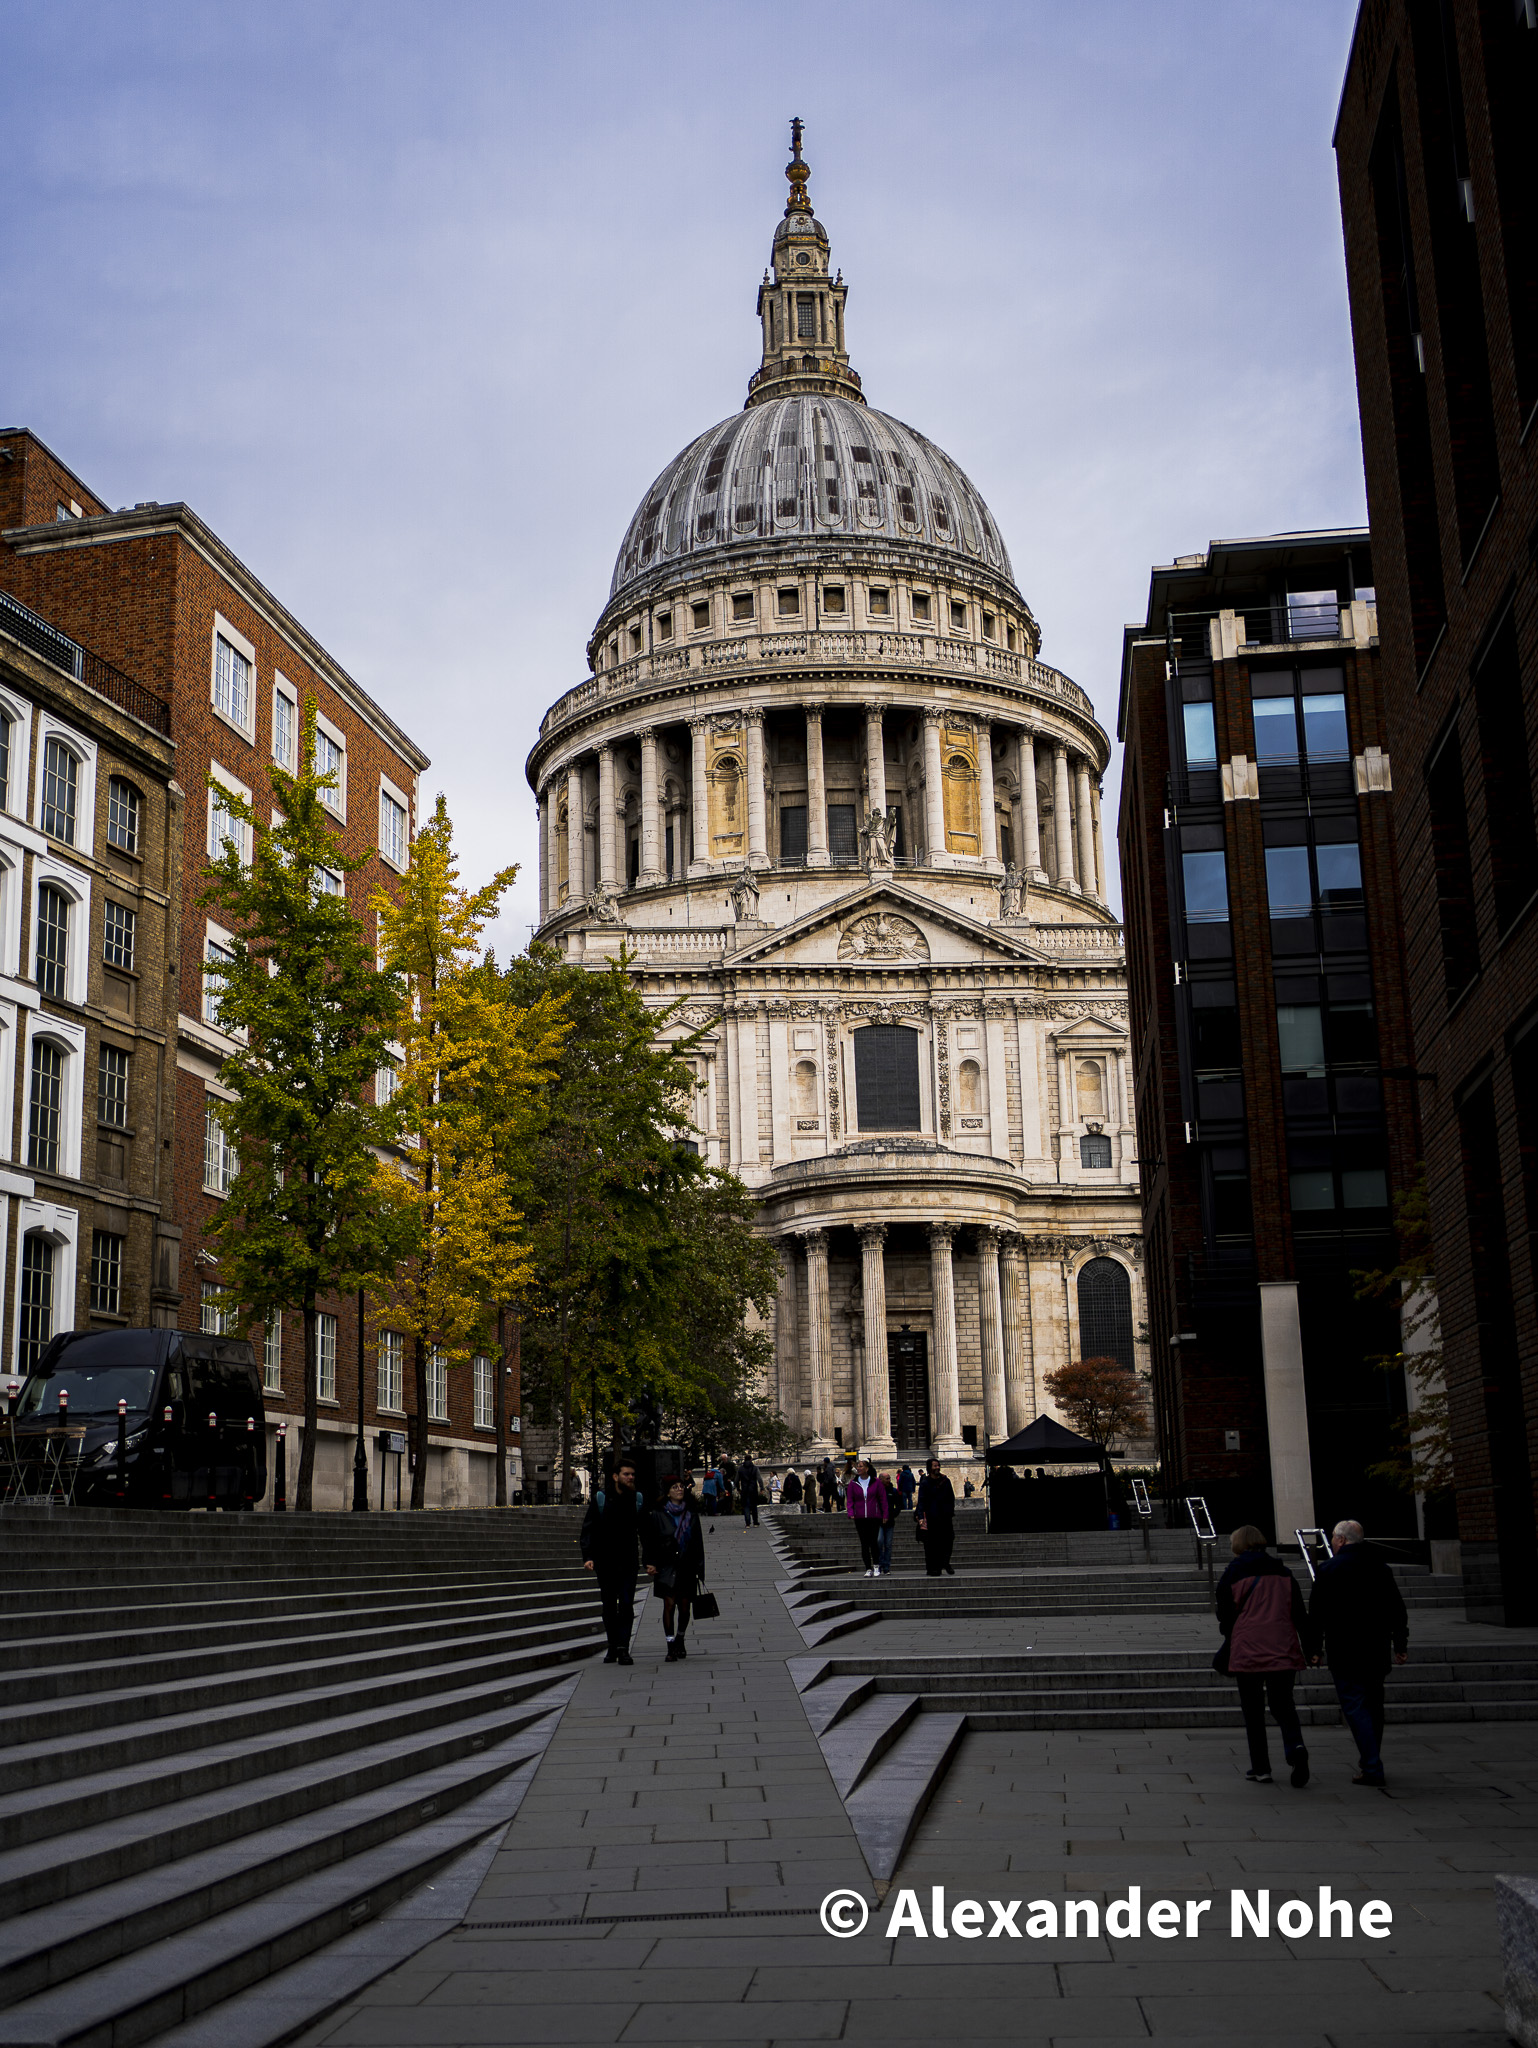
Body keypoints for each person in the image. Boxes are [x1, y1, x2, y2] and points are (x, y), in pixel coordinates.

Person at [1306, 1518, 1409, 1787]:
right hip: (1375, 1649)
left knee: (1354, 1705)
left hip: (1345, 1649)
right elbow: (1396, 1609)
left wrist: (1314, 1648)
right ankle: (1369, 1761)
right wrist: (1400, 1644)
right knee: (1374, 1706)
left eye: (1332, 1538)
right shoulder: (1380, 1568)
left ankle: (1372, 1765)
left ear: (1341, 1540)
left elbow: (1317, 1614)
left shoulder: (1328, 1570)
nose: (1331, 1541)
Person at [1215, 1524, 1310, 1788]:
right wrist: (1312, 1648)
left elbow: (1224, 1613)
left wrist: (1232, 1632)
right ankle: (1296, 1747)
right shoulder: (1283, 1572)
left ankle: (1261, 1767)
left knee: (1253, 1710)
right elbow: (1299, 1614)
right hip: (1283, 1646)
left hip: (1248, 1649)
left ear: (1239, 1545)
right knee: (1284, 1705)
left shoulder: (1233, 1573)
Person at [579, 1454, 644, 1664]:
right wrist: (588, 1556)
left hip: (628, 1561)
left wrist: (650, 1559)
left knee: (626, 1603)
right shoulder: (601, 1499)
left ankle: (623, 1647)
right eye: (626, 1474)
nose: (630, 1478)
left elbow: (646, 1531)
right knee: (608, 1605)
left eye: (633, 1474)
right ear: (615, 1476)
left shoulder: (637, 1499)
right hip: (605, 1562)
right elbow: (589, 1529)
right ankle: (612, 1645)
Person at [642, 1473, 708, 1661]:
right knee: (669, 1604)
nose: (679, 1489)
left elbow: (698, 1543)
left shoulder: (691, 1514)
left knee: (685, 1607)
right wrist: (649, 1562)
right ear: (668, 1492)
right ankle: (670, 1645)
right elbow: (650, 1540)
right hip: (666, 1565)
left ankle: (680, 1638)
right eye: (674, 1487)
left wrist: (700, 1569)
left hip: (687, 1565)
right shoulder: (658, 1514)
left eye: (681, 1486)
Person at [845, 1458, 889, 1576]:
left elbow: (883, 1499)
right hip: (860, 1517)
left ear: (867, 1469)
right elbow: (850, 1499)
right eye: (858, 1466)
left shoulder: (876, 1482)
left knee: (873, 1542)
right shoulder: (853, 1484)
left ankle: (876, 1566)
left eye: (861, 1466)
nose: (858, 1468)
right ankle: (868, 1568)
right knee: (864, 1543)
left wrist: (885, 1514)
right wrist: (850, 1512)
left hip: (873, 1516)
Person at [915, 1458, 957, 1576]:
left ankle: (945, 1562)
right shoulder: (925, 1483)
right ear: (929, 1468)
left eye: (938, 1465)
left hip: (945, 1517)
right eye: (934, 1466)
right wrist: (920, 1516)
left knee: (948, 1541)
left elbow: (951, 1497)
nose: (937, 1468)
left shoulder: (945, 1481)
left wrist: (950, 1511)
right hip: (931, 1517)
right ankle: (934, 1567)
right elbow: (921, 1500)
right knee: (932, 1544)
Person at [877, 1470, 899, 1575]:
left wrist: (893, 1514)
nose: (889, 1480)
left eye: (889, 1478)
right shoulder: (876, 1491)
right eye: (887, 1478)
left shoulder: (893, 1491)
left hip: (889, 1521)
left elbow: (898, 1505)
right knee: (879, 1541)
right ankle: (880, 1563)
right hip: (878, 1521)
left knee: (888, 1545)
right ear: (880, 1480)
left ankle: (886, 1566)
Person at [739, 1454, 762, 1529]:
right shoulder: (755, 1468)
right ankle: (755, 1522)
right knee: (754, 1506)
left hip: (744, 1490)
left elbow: (736, 1480)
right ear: (751, 1460)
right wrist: (761, 1488)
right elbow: (759, 1478)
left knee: (746, 1506)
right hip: (753, 1489)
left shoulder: (740, 1469)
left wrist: (738, 1488)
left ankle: (747, 1523)